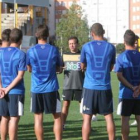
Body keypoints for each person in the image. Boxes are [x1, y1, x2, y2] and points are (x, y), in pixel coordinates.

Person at [80, 23, 116, 140]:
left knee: (87, 118)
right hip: (104, 87)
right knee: (109, 117)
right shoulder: (111, 47)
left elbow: (82, 65)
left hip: (90, 87)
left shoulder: (86, 46)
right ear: (103, 32)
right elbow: (111, 67)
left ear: (92, 33)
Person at [26, 25, 62, 140]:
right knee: (57, 116)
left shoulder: (30, 51)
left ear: (37, 35)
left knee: (38, 117)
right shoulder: (54, 49)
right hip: (51, 88)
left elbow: (29, 68)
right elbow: (59, 68)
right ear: (47, 35)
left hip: (36, 89)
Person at [0, 28, 26, 140]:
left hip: (2, 91)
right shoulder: (21, 54)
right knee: (14, 118)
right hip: (16, 91)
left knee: (4, 118)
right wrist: (8, 88)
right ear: (21, 40)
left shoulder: (1, 52)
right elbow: (20, 76)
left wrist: (1, 88)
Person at [115, 30, 140, 140]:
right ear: (135, 41)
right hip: (139, 93)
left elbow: (119, 76)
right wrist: (138, 88)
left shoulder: (121, 57)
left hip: (126, 93)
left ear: (124, 41)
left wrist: (132, 87)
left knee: (125, 119)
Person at [61, 36, 85, 129]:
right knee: (66, 105)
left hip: (80, 85)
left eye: (74, 43)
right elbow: (59, 69)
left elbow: (86, 67)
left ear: (77, 44)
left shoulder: (82, 55)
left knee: (82, 106)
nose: (72, 45)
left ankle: (87, 126)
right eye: (70, 44)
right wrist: (60, 69)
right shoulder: (64, 55)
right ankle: (62, 125)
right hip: (68, 85)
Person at [131, 34, 139, 126]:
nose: (136, 44)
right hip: (131, 85)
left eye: (137, 43)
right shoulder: (127, 55)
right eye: (134, 42)